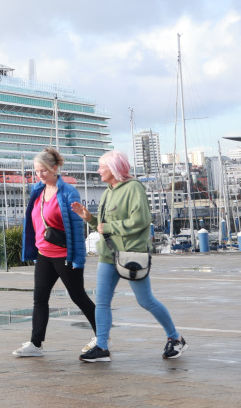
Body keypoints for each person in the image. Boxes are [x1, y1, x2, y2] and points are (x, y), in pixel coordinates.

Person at [72, 150, 186, 362]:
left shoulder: (133, 188)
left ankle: (175, 338)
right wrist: (88, 218)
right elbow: (103, 227)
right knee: (102, 302)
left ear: (114, 169)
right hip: (108, 254)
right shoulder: (108, 191)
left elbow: (141, 221)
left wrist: (109, 226)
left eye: (101, 167)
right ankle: (102, 347)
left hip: (132, 254)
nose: (98, 171)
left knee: (146, 301)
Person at [14, 148, 98, 357]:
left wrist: (78, 257)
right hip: (44, 253)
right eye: (36, 171)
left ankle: (102, 336)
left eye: (43, 171)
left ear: (54, 168)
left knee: (78, 296)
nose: (39, 175)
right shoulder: (38, 191)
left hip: (64, 254)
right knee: (39, 298)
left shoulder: (68, 192)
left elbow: (76, 228)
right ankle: (36, 344)